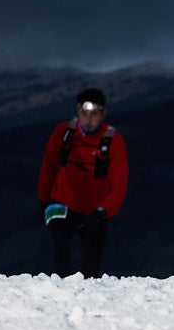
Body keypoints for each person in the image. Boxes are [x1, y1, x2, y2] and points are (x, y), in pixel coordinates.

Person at [37, 87, 129, 278]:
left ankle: (87, 300)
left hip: (95, 209)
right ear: (77, 111)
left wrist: (103, 211)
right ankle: (64, 295)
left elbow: (119, 184)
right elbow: (48, 166)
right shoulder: (63, 133)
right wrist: (43, 200)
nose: (88, 119)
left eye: (94, 114)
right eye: (83, 113)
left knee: (91, 266)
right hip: (61, 202)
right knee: (61, 253)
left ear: (103, 113)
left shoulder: (113, 141)